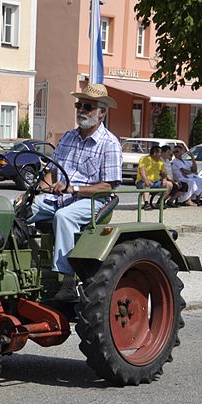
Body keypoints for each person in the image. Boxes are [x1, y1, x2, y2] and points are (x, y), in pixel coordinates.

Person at [27, 83, 122, 300]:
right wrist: (33, 194)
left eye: (88, 106)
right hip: (61, 197)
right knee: (19, 211)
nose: (81, 110)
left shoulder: (109, 144)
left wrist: (73, 188)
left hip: (93, 201)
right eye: (79, 105)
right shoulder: (68, 137)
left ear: (102, 112)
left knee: (64, 217)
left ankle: (67, 283)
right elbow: (51, 171)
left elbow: (108, 186)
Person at [135, 145, 173, 209]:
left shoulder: (160, 161)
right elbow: (142, 170)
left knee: (169, 185)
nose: (161, 154)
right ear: (155, 153)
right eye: (160, 153)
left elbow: (163, 173)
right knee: (146, 184)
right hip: (142, 181)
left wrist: (164, 179)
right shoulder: (145, 159)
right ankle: (146, 204)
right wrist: (146, 179)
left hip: (156, 182)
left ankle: (160, 202)